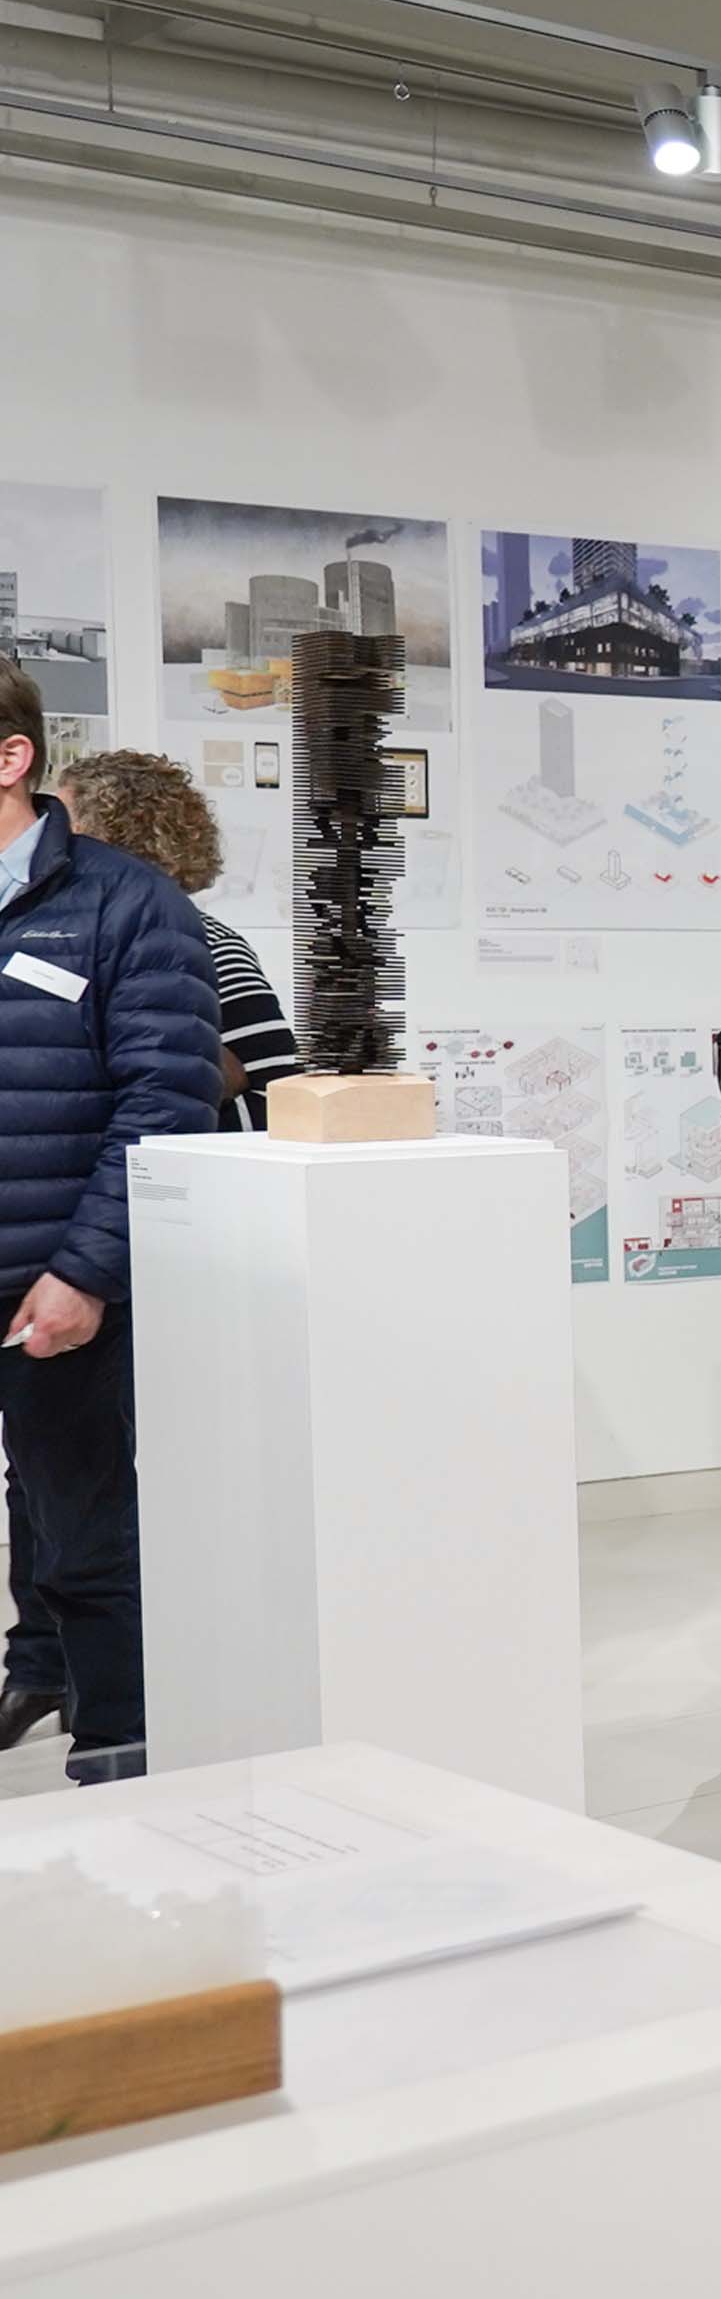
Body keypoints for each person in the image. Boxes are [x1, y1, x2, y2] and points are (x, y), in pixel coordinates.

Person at [0, 670, 225, 1781]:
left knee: (86, 1540)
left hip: (54, 1282)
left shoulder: (128, 904)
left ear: (12, 760)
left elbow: (165, 1100)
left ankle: (120, 1761)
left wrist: (88, 1270)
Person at [45, 751, 295, 1133]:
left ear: (112, 839)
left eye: (60, 827)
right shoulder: (61, 936)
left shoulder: (207, 942)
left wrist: (157, 1146)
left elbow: (274, 1098)